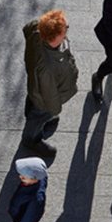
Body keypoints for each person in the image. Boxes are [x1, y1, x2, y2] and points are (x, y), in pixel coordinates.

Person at [22, 9, 79, 158]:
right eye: (65, 29)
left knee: (34, 103)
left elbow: (27, 28)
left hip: (36, 89)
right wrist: (54, 110)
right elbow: (49, 95)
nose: (67, 30)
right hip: (44, 101)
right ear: (55, 37)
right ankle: (30, 139)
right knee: (39, 115)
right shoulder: (47, 68)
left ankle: (40, 117)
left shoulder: (37, 30)